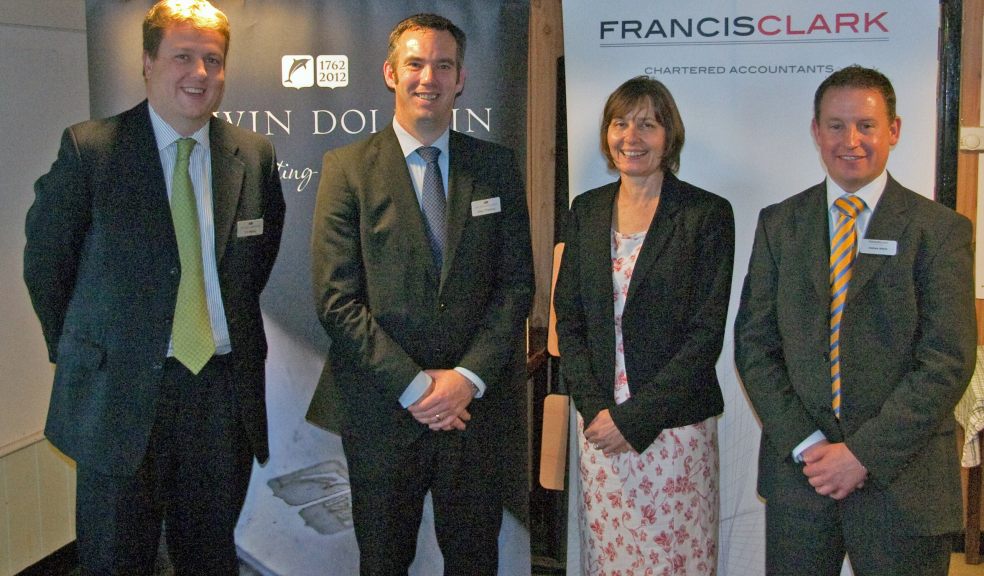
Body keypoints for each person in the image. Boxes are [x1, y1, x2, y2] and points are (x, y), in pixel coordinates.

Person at [23, 0, 285, 572]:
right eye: (182, 57)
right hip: (118, 396)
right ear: (147, 63)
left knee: (209, 556)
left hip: (219, 395)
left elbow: (254, 263)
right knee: (117, 559)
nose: (200, 73)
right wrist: (82, 354)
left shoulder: (253, 155)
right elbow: (46, 263)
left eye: (212, 60)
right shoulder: (92, 150)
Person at [305, 12, 533, 575]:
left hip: (474, 412)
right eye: (415, 64)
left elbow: (515, 286)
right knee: (383, 563)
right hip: (381, 410)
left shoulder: (496, 167)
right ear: (391, 73)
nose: (428, 77)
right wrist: (417, 387)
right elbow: (336, 300)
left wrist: (465, 379)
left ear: (461, 79)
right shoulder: (347, 169)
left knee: (475, 562)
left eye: (443, 65)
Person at [734, 65, 976, 576]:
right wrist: (810, 446)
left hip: (904, 485)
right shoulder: (779, 224)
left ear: (894, 130)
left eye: (866, 125)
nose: (851, 140)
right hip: (803, 480)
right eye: (836, 125)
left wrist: (862, 454)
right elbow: (755, 347)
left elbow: (947, 361)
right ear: (816, 131)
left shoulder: (939, 231)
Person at [553, 76, 734, 575]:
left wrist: (634, 420)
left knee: (674, 562)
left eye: (647, 125)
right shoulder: (586, 210)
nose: (631, 137)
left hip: (672, 428)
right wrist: (596, 409)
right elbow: (569, 318)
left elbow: (705, 336)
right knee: (609, 560)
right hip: (599, 426)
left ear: (668, 136)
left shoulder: (706, 214)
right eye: (620, 123)